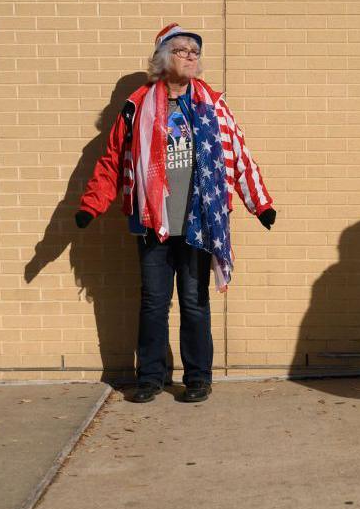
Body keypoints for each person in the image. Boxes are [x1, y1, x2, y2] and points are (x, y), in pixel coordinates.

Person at [76, 23, 276, 404]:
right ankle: (150, 378)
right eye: (183, 49)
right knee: (153, 301)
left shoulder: (211, 105)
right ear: (164, 56)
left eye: (195, 51)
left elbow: (239, 156)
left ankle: (198, 377)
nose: (191, 56)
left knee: (194, 300)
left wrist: (260, 204)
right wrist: (91, 206)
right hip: (154, 222)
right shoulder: (138, 105)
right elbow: (112, 160)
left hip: (200, 220)